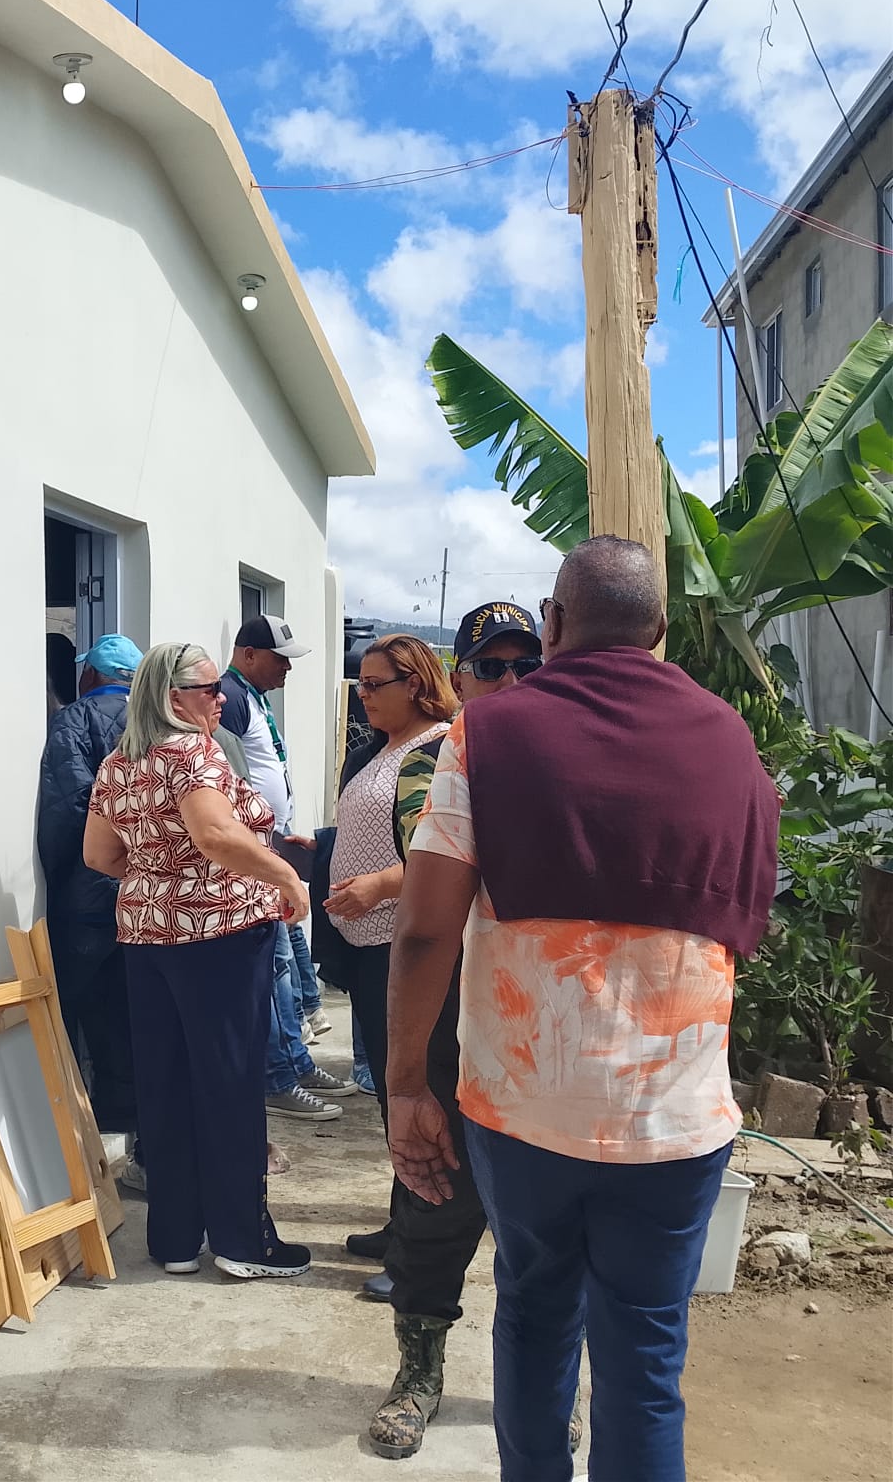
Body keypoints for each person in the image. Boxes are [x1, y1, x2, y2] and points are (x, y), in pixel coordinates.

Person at [387, 537, 780, 1482]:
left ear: (553, 626)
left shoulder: (489, 735)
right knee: (645, 1364)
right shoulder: (729, 738)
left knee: (531, 1316)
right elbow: (744, 918)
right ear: (661, 629)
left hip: (524, 1115)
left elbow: (427, 929)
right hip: (675, 1124)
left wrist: (406, 1085)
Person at [359, 603, 551, 1462]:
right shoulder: (428, 764)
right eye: (491, 667)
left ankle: (540, 1384)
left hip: (539, 1026)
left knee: (543, 1225)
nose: (511, 682)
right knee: (433, 1204)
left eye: (525, 666)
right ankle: (418, 1374)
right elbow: (444, 879)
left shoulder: (562, 753)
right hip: (450, 1021)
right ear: (460, 678)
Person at [85, 642, 314, 1280]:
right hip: (220, 938)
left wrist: (161, 877)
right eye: (211, 689)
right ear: (172, 697)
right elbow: (215, 834)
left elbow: (99, 856)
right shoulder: (194, 752)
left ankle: (177, 1239)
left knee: (166, 1085)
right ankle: (244, 1242)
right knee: (229, 1084)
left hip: (146, 937)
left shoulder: (119, 763)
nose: (221, 698)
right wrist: (286, 879)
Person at [322, 636, 457, 1251]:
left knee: (414, 1086)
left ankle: (421, 1239)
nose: (363, 695)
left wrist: (377, 884)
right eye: (360, 684)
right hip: (370, 941)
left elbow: (447, 855)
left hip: (411, 944)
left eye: (376, 684)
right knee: (389, 1087)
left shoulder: (438, 752)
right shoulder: (381, 750)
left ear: (417, 683)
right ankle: (404, 1220)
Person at [220, 614, 353, 1121]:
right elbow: (229, 778)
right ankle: (277, 1076)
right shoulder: (229, 700)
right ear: (249, 654)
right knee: (275, 965)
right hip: (255, 857)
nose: (287, 670)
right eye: (281, 660)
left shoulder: (249, 697)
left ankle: (293, 1062)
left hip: (271, 851)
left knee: (290, 962)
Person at [37, 634, 146, 1177]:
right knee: (129, 1014)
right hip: (145, 896)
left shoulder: (74, 722)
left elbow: (66, 811)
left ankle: (67, 1147)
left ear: (89, 676)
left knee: (68, 1014)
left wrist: (55, 880)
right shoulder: (156, 723)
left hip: (86, 896)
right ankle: (129, 1130)